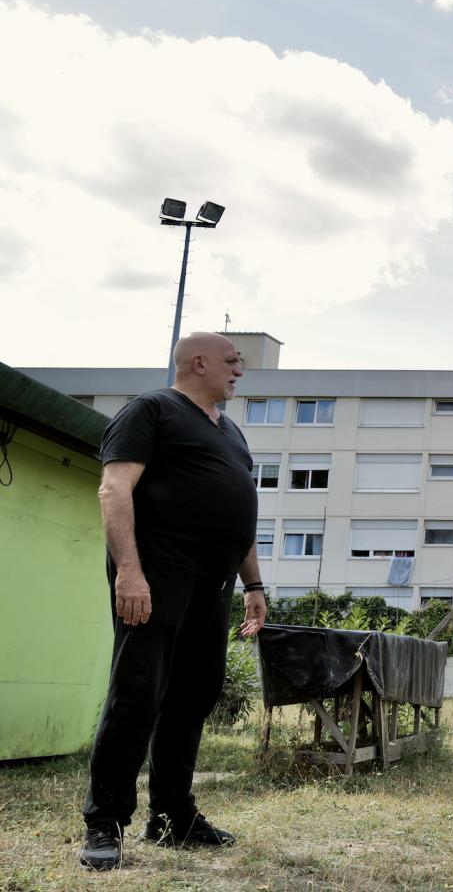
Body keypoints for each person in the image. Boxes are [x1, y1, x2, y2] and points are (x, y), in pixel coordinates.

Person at [79, 332, 267, 871]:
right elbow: (114, 489)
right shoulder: (152, 410)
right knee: (137, 695)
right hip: (157, 574)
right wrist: (129, 572)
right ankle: (105, 821)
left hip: (215, 583)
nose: (239, 371)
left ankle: (172, 816)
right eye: (232, 361)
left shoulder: (230, 431)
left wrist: (254, 585)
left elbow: (239, 513)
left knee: (193, 697)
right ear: (198, 363)